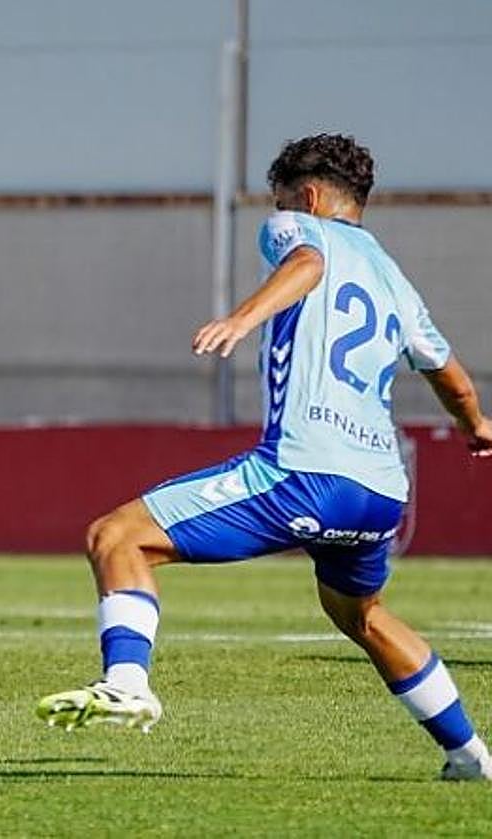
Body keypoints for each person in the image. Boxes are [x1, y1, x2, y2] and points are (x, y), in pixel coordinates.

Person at [34, 134, 492, 781]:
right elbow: (452, 377)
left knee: (117, 537)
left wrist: (242, 318)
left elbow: (306, 260)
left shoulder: (296, 226)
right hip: (382, 491)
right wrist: (474, 425)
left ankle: (128, 682)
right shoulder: (395, 279)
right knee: (360, 613)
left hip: (305, 471)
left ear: (304, 195)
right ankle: (470, 753)